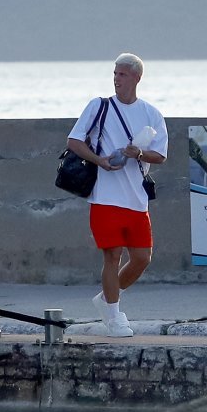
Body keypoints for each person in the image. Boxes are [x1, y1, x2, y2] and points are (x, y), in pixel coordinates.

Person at [66, 53, 168, 337]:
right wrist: (99, 161)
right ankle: (113, 315)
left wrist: (139, 153)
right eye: (114, 74)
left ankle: (106, 297)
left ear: (137, 77)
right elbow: (73, 141)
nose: (116, 79)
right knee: (112, 256)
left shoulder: (151, 114)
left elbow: (159, 155)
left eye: (122, 74)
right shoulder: (99, 106)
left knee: (142, 258)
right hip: (105, 197)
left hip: (136, 198)